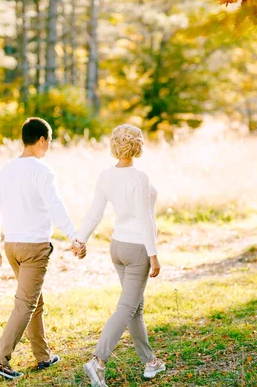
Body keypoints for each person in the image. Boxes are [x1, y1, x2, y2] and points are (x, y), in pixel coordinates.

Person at [0, 117, 86, 380]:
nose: (48, 147)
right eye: (49, 142)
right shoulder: (42, 171)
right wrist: (74, 237)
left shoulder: (6, 170)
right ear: (42, 140)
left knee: (34, 301)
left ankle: (43, 356)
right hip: (34, 248)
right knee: (26, 304)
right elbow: (56, 207)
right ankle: (0, 360)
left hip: (12, 247)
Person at [77, 124, 166, 387]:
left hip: (117, 247)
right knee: (127, 308)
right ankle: (98, 361)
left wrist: (81, 238)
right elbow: (146, 219)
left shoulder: (106, 176)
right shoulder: (139, 178)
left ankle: (150, 363)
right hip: (137, 248)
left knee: (135, 307)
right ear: (138, 146)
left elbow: (95, 213)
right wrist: (154, 255)